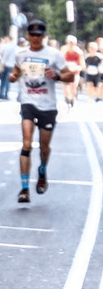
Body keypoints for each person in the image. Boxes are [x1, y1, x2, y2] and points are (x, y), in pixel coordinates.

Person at [10, 19, 75, 203]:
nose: (35, 38)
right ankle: (24, 189)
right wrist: (13, 77)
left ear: (44, 36)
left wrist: (58, 75)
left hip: (47, 106)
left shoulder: (53, 54)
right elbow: (16, 71)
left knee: (44, 147)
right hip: (28, 103)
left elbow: (69, 75)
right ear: (28, 36)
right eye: (32, 35)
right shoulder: (21, 54)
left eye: (39, 35)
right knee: (27, 144)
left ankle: (42, 170)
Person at [62, 35, 84, 107]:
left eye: (73, 43)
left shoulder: (79, 53)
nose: (71, 45)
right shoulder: (63, 50)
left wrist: (76, 68)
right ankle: (67, 99)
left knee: (73, 86)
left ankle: (73, 100)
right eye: (70, 43)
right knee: (66, 88)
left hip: (75, 72)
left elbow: (83, 66)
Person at [1, 35, 19, 100]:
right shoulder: (16, 47)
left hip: (4, 64)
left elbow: (1, 53)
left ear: (8, 39)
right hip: (12, 65)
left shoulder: (4, 46)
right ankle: (6, 94)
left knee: (3, 79)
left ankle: (1, 93)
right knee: (8, 80)